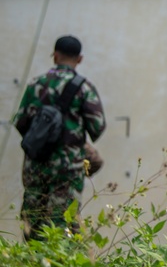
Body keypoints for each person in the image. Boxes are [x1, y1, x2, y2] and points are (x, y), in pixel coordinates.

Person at [14, 35, 106, 239]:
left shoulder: (36, 84)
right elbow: (97, 127)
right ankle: (60, 266)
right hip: (68, 166)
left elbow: (20, 122)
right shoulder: (84, 88)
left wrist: (42, 140)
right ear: (79, 59)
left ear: (55, 56)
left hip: (36, 163)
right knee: (63, 221)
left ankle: (33, 264)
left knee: (34, 219)